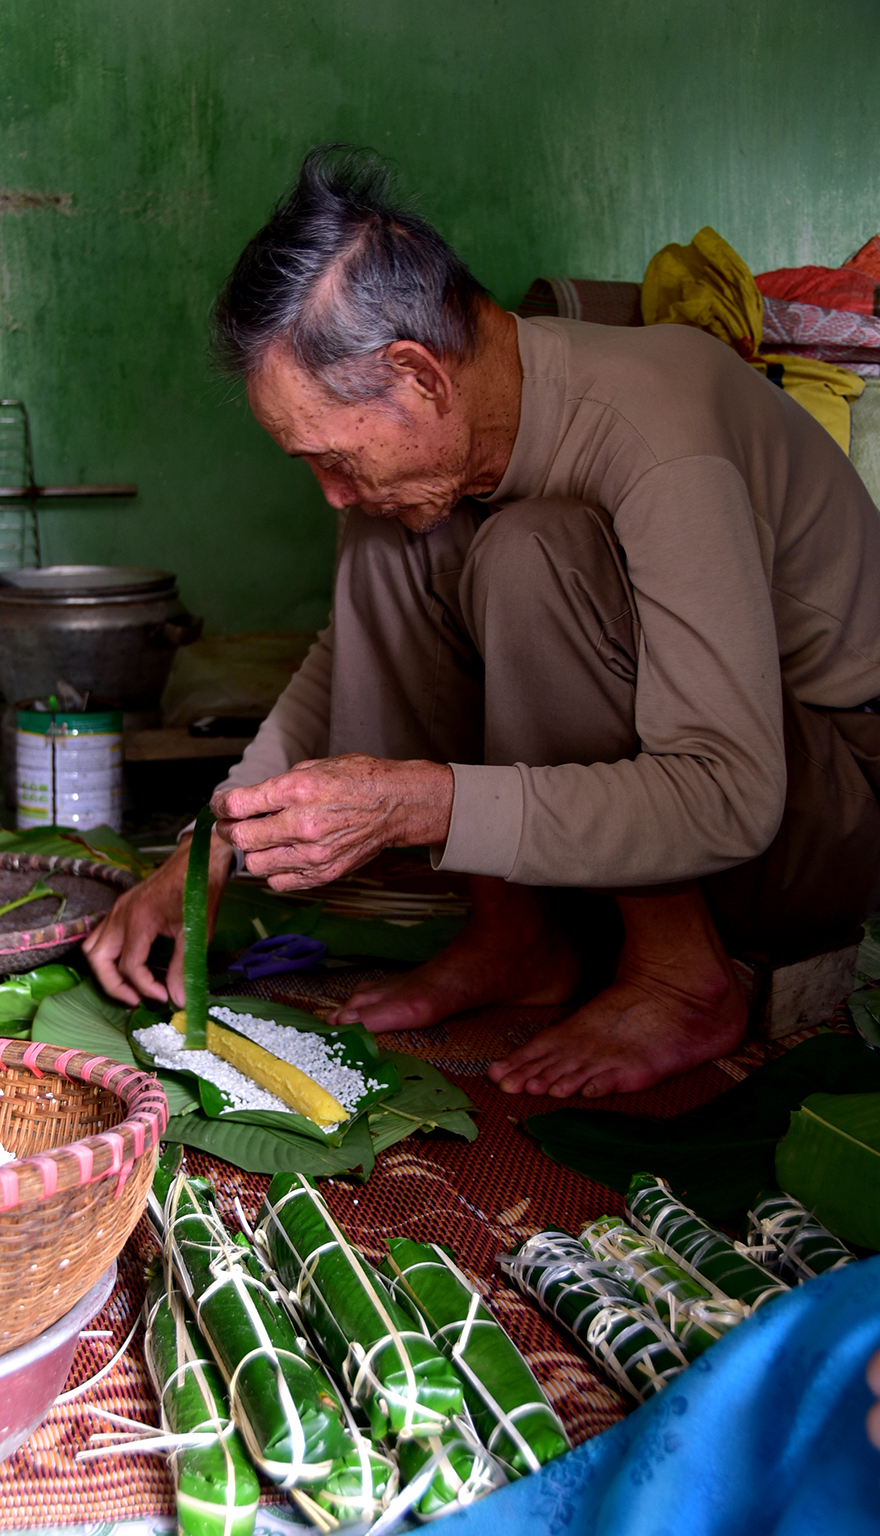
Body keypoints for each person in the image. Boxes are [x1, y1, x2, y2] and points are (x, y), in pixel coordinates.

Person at [84, 146, 880, 1100]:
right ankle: (516, 937)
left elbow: (730, 795)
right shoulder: (465, 439)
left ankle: (680, 973)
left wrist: (424, 801)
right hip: (716, 821)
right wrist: (207, 847)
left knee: (527, 553)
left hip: (826, 813)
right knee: (395, 528)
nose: (328, 492)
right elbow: (350, 655)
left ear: (419, 376)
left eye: (331, 455)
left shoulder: (656, 440)